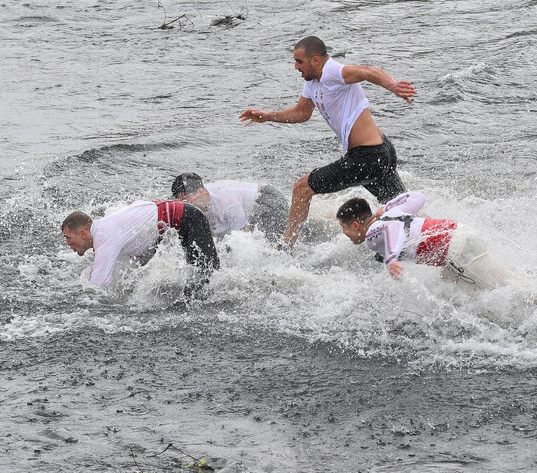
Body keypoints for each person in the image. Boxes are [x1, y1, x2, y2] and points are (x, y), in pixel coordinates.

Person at [239, 36, 416, 247]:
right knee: (400, 208)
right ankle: (430, 235)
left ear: (315, 60)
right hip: (380, 152)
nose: (296, 66)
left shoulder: (332, 71)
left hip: (367, 157)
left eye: (299, 61)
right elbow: (302, 113)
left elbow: (368, 71)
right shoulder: (312, 82)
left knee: (302, 188)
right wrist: (267, 115)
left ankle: (285, 247)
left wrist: (393, 85)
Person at [336, 192, 510, 289]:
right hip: (460, 234)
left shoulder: (371, 235)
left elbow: (392, 229)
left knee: (503, 288)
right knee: (452, 294)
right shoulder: (392, 213)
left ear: (356, 225)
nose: (345, 233)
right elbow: (418, 197)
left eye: (344, 227)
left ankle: (535, 300)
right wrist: (389, 206)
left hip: (456, 249)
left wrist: (391, 259)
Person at [61, 199, 220, 294]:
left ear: (83, 234)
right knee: (198, 276)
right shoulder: (104, 229)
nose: (68, 244)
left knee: (207, 276)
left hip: (189, 218)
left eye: (68, 238)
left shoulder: (104, 238)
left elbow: (97, 286)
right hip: (177, 217)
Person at [170, 173, 288, 242]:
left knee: (273, 244)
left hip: (269, 202)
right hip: (247, 208)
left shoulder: (226, 201)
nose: (184, 204)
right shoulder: (200, 201)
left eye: (185, 199)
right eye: (179, 200)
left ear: (201, 191)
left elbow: (244, 236)